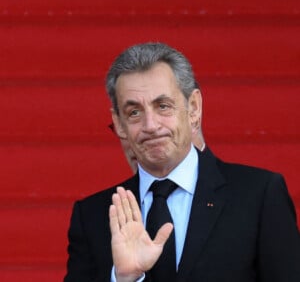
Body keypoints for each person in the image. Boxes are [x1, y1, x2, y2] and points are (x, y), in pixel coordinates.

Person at [64, 42, 300, 282]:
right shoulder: (94, 215)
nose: (151, 126)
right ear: (119, 123)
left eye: (163, 106)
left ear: (194, 108)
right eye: (134, 112)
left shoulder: (258, 195)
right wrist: (124, 278)